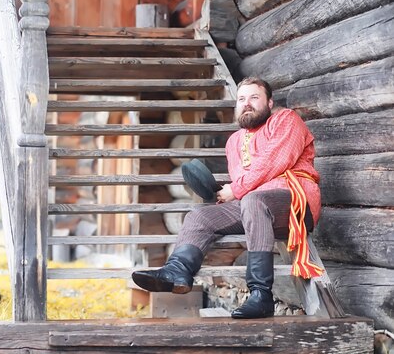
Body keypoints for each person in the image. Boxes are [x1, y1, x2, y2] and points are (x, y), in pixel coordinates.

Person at [132, 77, 324, 319]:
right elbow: (245, 186)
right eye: (241, 99)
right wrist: (225, 196)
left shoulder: (285, 120)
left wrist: (236, 189)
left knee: (254, 201)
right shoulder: (233, 142)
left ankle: (261, 294)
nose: (247, 104)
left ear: (269, 102)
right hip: (253, 206)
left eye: (254, 97)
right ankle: (177, 272)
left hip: (295, 203)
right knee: (200, 215)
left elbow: (273, 162)